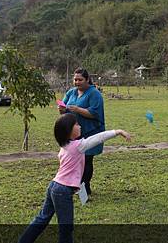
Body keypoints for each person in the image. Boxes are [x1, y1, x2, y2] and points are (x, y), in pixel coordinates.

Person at [18, 113, 131, 243]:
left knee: (42, 218)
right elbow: (97, 138)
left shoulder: (65, 146)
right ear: (69, 130)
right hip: (62, 190)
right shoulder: (78, 146)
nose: (80, 126)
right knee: (66, 228)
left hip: (54, 186)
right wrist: (117, 131)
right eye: (76, 124)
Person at [58, 68, 105, 196]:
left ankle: (85, 188)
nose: (77, 82)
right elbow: (64, 110)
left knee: (87, 160)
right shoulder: (71, 92)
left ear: (87, 79)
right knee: (76, 160)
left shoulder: (94, 94)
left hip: (91, 131)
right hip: (75, 133)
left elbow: (94, 113)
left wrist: (78, 109)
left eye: (80, 80)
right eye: (75, 79)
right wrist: (62, 109)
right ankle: (76, 186)